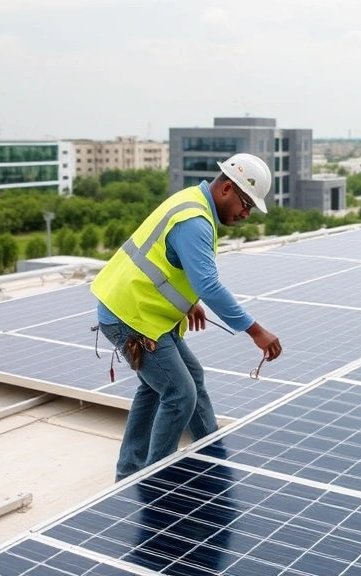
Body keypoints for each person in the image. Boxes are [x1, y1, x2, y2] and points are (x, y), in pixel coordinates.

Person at [91, 152, 283, 481]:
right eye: (246, 204)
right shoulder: (195, 221)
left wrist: (187, 301)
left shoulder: (194, 203)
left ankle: (200, 454)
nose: (246, 214)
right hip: (130, 316)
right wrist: (256, 331)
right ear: (227, 189)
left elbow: (171, 263)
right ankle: (154, 480)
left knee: (180, 379)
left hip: (139, 311)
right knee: (180, 393)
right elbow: (208, 284)